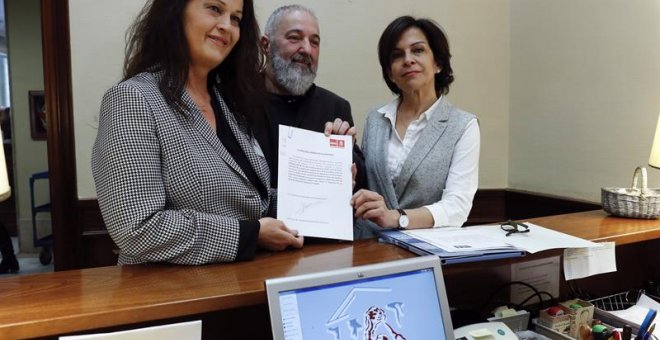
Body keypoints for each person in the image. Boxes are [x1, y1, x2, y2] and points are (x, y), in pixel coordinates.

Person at [91, 0, 303, 265]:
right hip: (172, 299)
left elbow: (252, 201)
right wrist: (251, 235)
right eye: (215, 8)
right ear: (175, 11)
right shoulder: (133, 99)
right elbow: (136, 228)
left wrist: (325, 189)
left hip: (242, 287)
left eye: (236, 19)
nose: (227, 26)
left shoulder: (229, 105)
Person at [353, 16, 480, 238]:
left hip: (425, 250)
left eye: (418, 50)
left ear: (437, 63)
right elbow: (367, 186)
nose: (408, 60)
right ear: (390, 73)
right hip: (366, 247)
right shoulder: (375, 119)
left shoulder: (463, 126)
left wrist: (397, 218)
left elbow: (456, 207)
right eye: (397, 55)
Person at [258, 5, 366, 190]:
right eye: (294, 38)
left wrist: (345, 154)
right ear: (266, 45)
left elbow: (361, 186)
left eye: (315, 42)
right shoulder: (236, 101)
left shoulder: (335, 108)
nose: (307, 49)